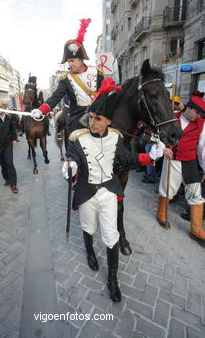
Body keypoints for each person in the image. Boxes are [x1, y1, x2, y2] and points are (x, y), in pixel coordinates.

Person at [62, 78, 164, 302]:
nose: (92, 122)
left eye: (97, 119)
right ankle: (89, 251)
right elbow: (72, 158)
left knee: (110, 236)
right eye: (90, 118)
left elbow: (128, 158)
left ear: (108, 121)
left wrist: (150, 156)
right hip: (87, 192)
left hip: (108, 191)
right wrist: (69, 167)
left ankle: (113, 280)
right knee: (88, 227)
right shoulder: (77, 139)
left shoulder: (116, 138)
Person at [31, 19, 105, 134]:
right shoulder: (65, 79)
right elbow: (55, 97)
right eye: (68, 61)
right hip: (77, 120)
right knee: (71, 142)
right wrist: (42, 110)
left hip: (98, 117)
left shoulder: (97, 73)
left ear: (81, 59)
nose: (70, 64)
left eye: (72, 61)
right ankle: (60, 134)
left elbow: (105, 95)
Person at [156, 91, 205, 246]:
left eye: (200, 113)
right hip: (173, 159)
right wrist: (163, 148)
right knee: (167, 189)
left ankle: (196, 228)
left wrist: (204, 168)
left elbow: (202, 148)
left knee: (195, 193)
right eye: (196, 111)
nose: (197, 115)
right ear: (189, 108)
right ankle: (161, 213)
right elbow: (159, 136)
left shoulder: (202, 124)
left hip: (190, 162)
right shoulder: (172, 117)